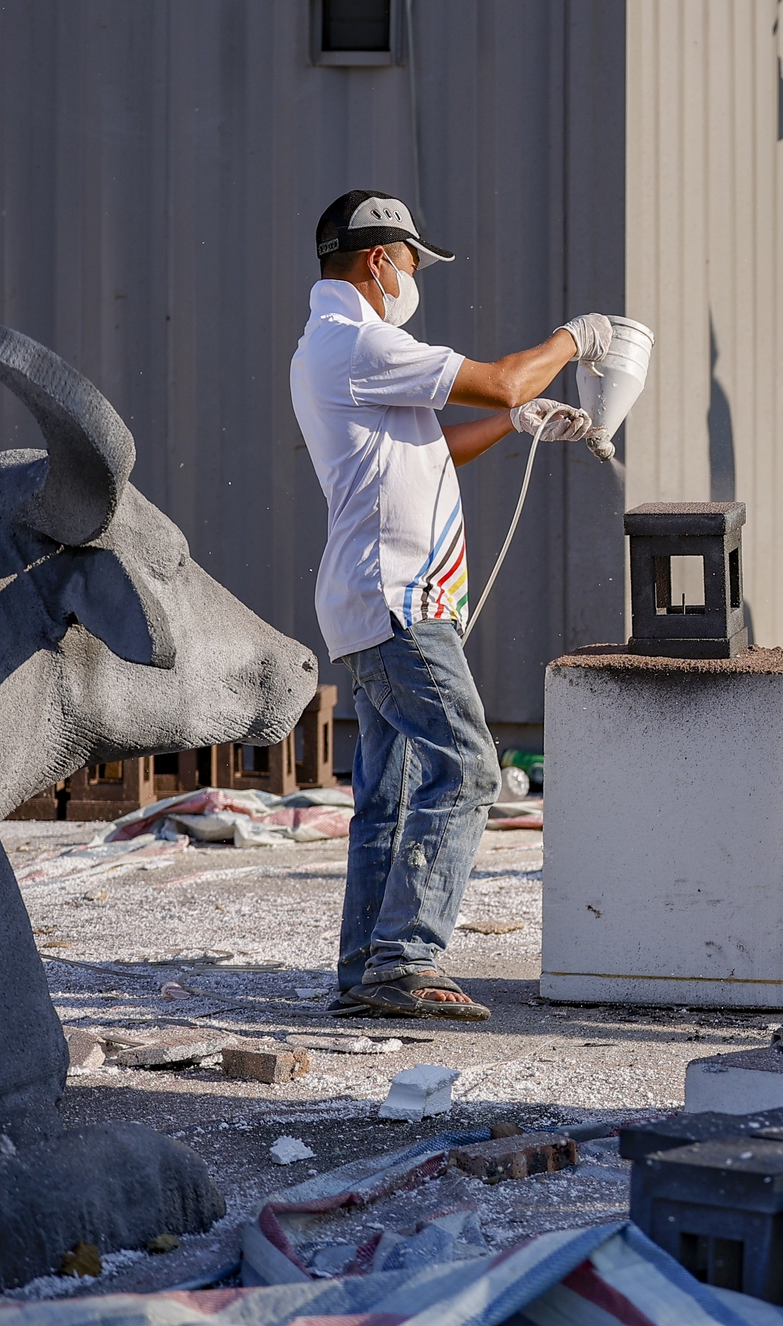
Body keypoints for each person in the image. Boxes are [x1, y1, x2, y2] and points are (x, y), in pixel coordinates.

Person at [290, 190, 608, 1021]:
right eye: (411, 263)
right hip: (398, 598)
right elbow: (501, 378)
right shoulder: (360, 341)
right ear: (378, 260)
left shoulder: (332, 346)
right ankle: (404, 958)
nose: (414, 279)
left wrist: (518, 421)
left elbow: (433, 447)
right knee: (468, 766)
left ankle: (366, 969)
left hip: (373, 598)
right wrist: (576, 338)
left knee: (389, 799)